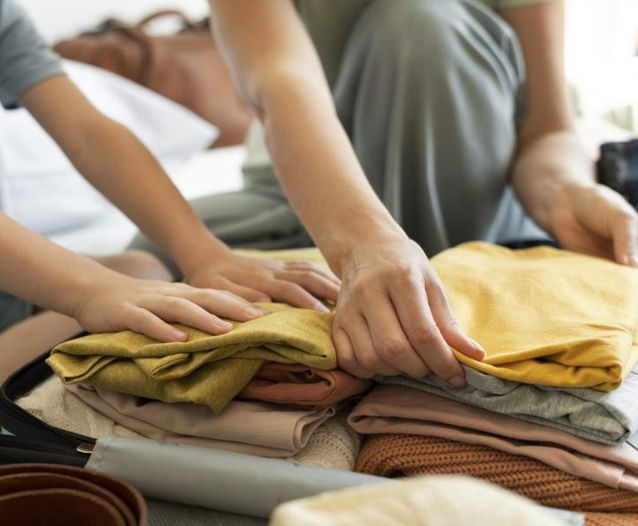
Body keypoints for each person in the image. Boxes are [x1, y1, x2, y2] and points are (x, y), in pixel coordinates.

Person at [0, 0, 340, 461]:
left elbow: (90, 134)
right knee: (104, 314)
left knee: (142, 272)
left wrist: (204, 255)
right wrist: (90, 293)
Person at [131, 0, 638, 385]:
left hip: (479, 193)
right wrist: (361, 245)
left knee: (416, 23)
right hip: (308, 195)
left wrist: (568, 192)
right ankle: (414, 292)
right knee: (150, 258)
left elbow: (547, 129)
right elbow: (282, 83)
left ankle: (433, 301)